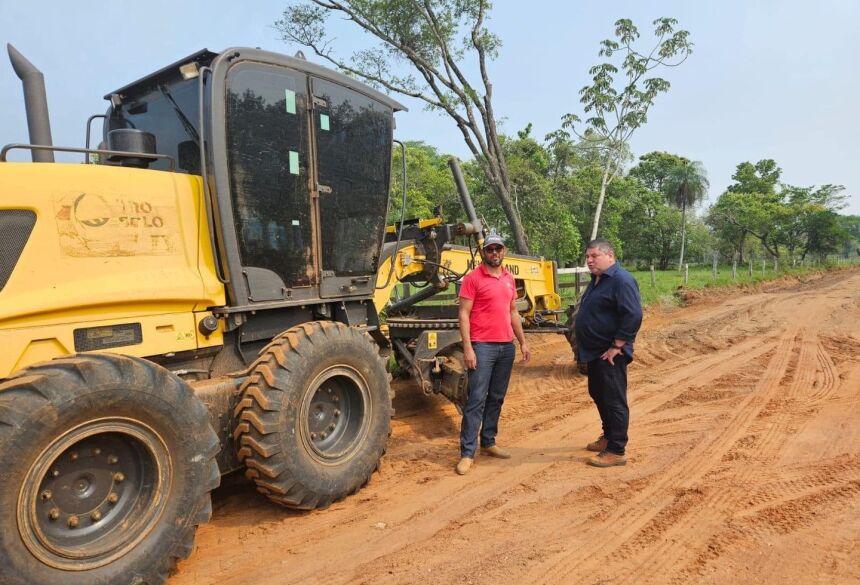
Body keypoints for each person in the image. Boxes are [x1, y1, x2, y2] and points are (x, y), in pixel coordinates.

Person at [455, 231, 531, 475]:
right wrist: (468, 347)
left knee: (497, 396)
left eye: (498, 249)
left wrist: (522, 342)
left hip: (505, 347)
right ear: (483, 252)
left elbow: (513, 312)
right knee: (476, 398)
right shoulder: (473, 279)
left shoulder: (509, 279)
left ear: (504, 251)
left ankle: (488, 442)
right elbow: (464, 314)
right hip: (483, 346)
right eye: (490, 249)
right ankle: (467, 453)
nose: (494, 253)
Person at [574, 238, 643, 467]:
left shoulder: (621, 280)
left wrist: (617, 346)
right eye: (587, 257)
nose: (589, 260)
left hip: (610, 353)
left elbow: (633, 315)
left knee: (614, 399)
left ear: (610, 255)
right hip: (594, 352)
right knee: (598, 393)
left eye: (594, 256)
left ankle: (616, 449)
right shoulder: (597, 280)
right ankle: (607, 436)